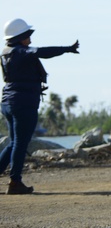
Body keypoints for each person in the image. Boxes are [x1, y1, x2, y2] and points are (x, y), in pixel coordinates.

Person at [1, 18, 80, 195]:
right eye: (28, 35)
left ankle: (13, 180)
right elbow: (42, 52)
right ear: (20, 37)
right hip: (23, 103)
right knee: (20, 144)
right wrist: (68, 49)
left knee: (13, 143)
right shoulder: (21, 52)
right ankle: (15, 183)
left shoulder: (6, 53)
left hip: (7, 102)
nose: (30, 39)